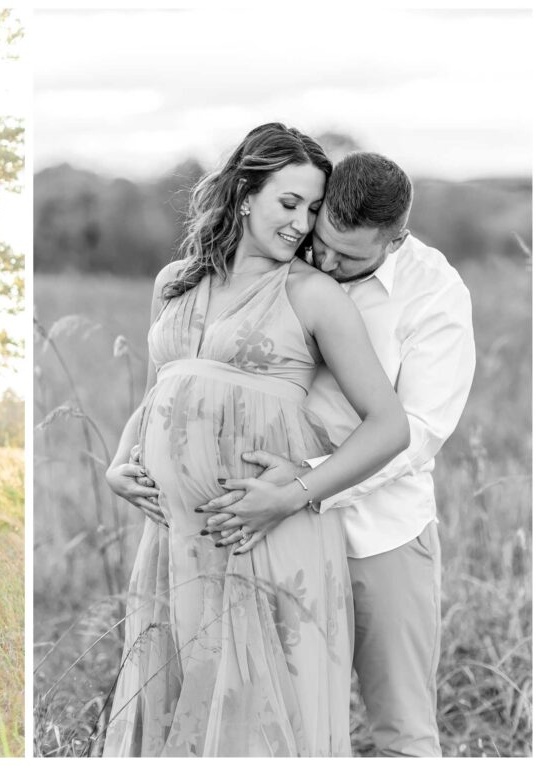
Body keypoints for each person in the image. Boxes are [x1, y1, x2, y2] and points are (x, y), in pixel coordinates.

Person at [101, 123, 410, 757]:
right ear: (245, 193)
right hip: (175, 536)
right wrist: (117, 462)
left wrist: (291, 495)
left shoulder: (314, 294)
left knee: (260, 712)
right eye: (288, 204)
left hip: (265, 531)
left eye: (314, 211)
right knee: (181, 693)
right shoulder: (175, 282)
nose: (302, 225)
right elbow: (164, 390)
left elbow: (390, 426)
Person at [198, 152, 476, 756]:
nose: (324, 260)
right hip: (268, 532)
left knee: (401, 731)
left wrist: (303, 485)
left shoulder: (435, 294)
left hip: (379, 536)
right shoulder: (289, 256)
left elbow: (421, 429)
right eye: (322, 240)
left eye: (350, 256)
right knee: (279, 722)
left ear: (396, 238)